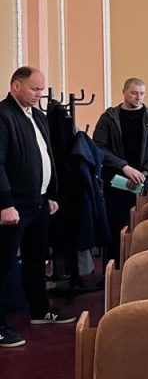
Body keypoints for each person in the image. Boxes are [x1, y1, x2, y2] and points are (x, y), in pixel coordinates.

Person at [1, 67, 72, 349]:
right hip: (14, 204)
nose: (40, 94)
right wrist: (5, 203)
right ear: (16, 86)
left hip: (39, 201)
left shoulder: (39, 116)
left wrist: (51, 193)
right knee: (4, 263)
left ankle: (40, 310)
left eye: (42, 89)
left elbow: (47, 157)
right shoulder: (3, 115)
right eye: (35, 89)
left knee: (36, 258)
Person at [92, 77, 148, 264]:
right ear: (124, 92)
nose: (138, 97)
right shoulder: (109, 118)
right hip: (118, 181)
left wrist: (144, 172)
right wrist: (124, 167)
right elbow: (99, 147)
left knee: (147, 228)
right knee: (117, 227)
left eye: (142, 93)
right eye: (134, 93)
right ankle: (116, 269)